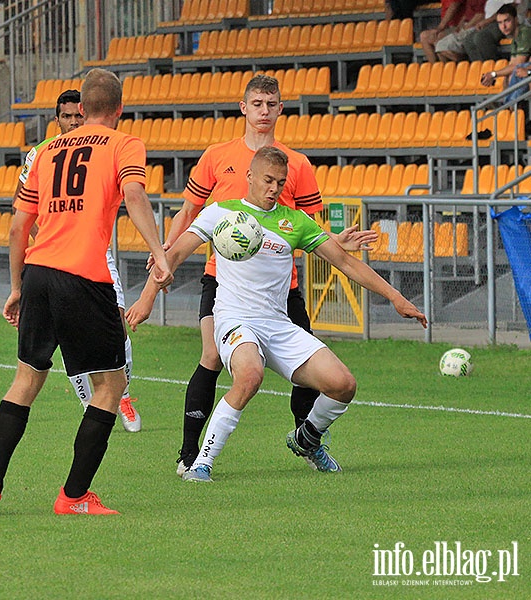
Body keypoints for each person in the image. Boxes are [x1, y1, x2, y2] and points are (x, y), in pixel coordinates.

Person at [127, 147, 427, 482]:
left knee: (343, 385)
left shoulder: (294, 221)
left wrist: (397, 297)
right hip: (235, 320)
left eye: (280, 182)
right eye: (268, 180)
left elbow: (345, 262)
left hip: (277, 324)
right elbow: (175, 254)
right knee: (250, 375)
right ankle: (201, 464)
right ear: (250, 177)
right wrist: (147, 297)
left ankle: (308, 439)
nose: (274, 188)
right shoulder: (220, 214)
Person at [0, 69, 172, 516]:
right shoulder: (124, 143)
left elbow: (20, 224)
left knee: (25, 380)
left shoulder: (45, 151)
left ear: (81, 109)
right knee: (110, 384)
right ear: (119, 109)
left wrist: (17, 285)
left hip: (39, 272)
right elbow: (135, 196)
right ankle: (73, 496)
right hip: (84, 276)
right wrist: (159, 253)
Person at [157, 75, 377, 474]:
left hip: (280, 286)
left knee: (308, 373)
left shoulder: (297, 164)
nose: (263, 110)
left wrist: (336, 243)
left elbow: (305, 226)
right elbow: (189, 212)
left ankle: (309, 442)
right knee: (212, 357)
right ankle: (191, 455)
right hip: (222, 277)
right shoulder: (216, 156)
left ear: (279, 109)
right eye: (255, 103)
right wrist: (164, 256)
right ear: (243, 107)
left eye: (270, 104)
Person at [13, 88, 142, 433]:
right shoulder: (39, 154)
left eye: (77, 116)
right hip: (54, 259)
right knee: (65, 337)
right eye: (66, 116)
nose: (72, 122)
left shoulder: (105, 146)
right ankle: (91, 402)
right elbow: (23, 210)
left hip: (96, 254)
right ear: (56, 120)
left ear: (86, 114)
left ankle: (122, 394)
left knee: (117, 320)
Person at [481, 4, 531, 103]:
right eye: (500, 23)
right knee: (507, 76)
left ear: (516, 20)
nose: (503, 26)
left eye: (507, 21)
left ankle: (508, 106)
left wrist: (494, 74)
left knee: (517, 71)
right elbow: (512, 65)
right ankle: (507, 107)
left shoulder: (525, 33)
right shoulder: (514, 39)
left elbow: (518, 64)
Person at [436, 0, 509, 62]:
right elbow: (467, 15)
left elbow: (481, 15)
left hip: (496, 22)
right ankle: (477, 67)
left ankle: (492, 66)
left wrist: (466, 28)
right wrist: (461, 25)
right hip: (479, 24)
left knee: (480, 37)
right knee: (468, 41)